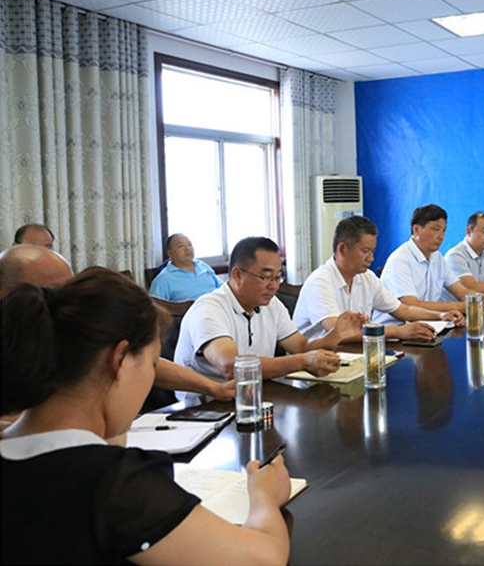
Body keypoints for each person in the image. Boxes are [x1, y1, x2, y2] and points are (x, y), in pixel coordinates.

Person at [1, 268, 291, 565]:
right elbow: (264, 559)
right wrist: (264, 497)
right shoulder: (114, 484)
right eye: (152, 364)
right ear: (120, 360)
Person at [0, 245, 233, 411]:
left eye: (69, 289)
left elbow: (144, 359)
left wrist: (213, 388)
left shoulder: (67, 325)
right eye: (52, 291)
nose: (64, 300)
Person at [174, 236, 357, 386]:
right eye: (266, 277)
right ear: (238, 275)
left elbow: (301, 347)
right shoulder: (209, 309)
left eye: (277, 278)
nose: (274, 286)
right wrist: (301, 362)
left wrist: (336, 335)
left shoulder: (272, 305)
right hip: (206, 409)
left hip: (257, 395)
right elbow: (231, 367)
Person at [295, 215, 464, 344]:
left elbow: (404, 310)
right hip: (311, 367)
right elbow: (338, 333)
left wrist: (441, 316)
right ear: (342, 249)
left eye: (373, 251)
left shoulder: (367, 278)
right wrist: (399, 332)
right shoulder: (321, 281)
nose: (371, 258)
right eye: (365, 251)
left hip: (352, 355)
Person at [376, 204, 484, 324]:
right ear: (416, 230)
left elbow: (461, 291)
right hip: (395, 328)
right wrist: (460, 306)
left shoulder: (437, 257)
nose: (441, 236)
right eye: (435, 229)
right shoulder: (400, 260)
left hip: (430, 323)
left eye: (444, 230)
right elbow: (411, 304)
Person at [149, 233, 223, 301]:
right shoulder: (163, 279)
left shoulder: (202, 265)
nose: (187, 249)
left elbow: (222, 288)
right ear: (170, 253)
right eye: (180, 246)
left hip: (219, 306)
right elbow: (154, 308)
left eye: (189, 245)